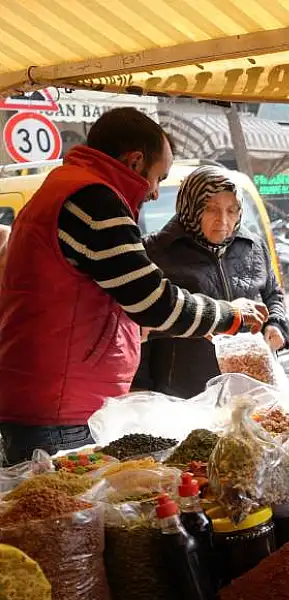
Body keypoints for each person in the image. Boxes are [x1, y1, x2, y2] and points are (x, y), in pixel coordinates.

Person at [0, 108, 268, 465]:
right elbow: (153, 301)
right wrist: (228, 315)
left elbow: (101, 302)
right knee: (72, 515)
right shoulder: (92, 200)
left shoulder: (63, 188)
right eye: (159, 177)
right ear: (135, 161)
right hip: (60, 410)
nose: (156, 193)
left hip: (51, 401)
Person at [132, 166, 289, 398]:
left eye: (232, 210)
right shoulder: (156, 252)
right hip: (185, 391)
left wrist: (275, 324)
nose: (223, 220)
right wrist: (140, 389)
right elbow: (140, 324)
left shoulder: (253, 246)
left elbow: (272, 294)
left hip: (251, 386)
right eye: (211, 209)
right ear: (192, 208)